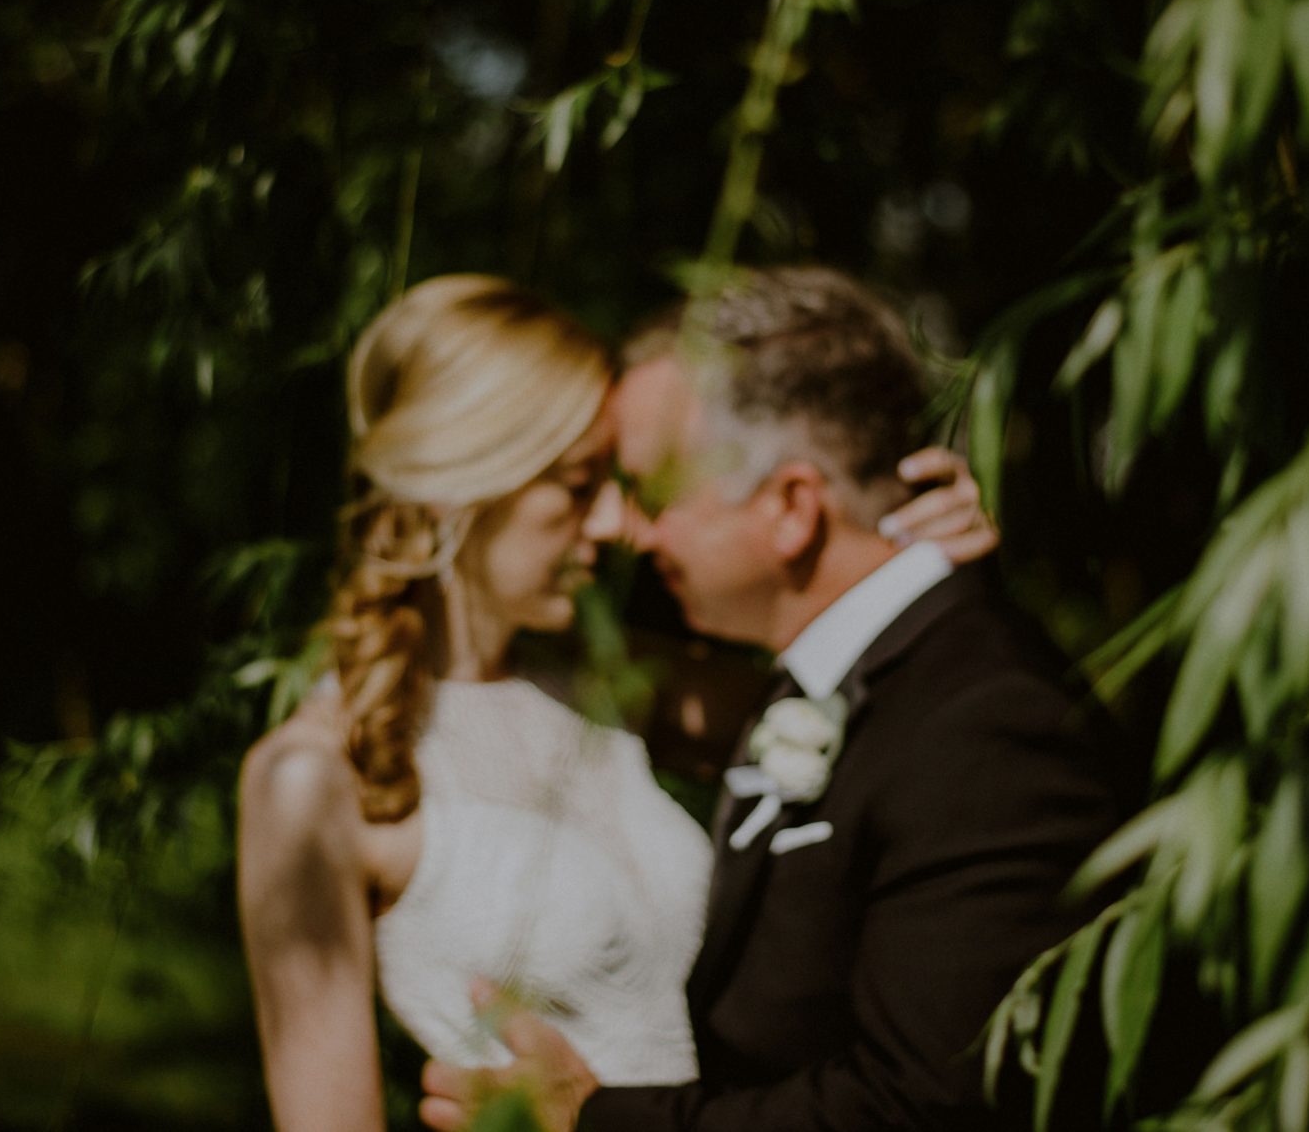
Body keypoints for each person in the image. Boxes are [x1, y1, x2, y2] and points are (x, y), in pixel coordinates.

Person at [236, 273, 996, 1132]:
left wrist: (914, 550)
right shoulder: (308, 778)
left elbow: (901, 718)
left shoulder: (615, 684)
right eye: (575, 484)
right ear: (461, 486)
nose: (616, 524)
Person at [420, 266, 1123, 1132]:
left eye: (658, 489)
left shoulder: (984, 723)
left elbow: (924, 1109)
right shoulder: (840, 677)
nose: (627, 531)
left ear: (793, 507)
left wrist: (596, 1122)